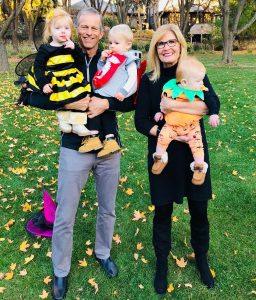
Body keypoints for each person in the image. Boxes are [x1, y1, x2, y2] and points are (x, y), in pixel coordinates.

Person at [28, 7, 135, 300]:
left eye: (94, 28)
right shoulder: (59, 54)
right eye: (83, 27)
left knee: (108, 207)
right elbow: (32, 94)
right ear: (77, 29)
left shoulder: (114, 57)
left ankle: (102, 253)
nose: (88, 32)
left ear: (101, 32)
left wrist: (107, 105)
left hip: (108, 147)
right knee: (65, 213)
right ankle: (60, 270)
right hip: (74, 147)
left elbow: (132, 99)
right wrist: (72, 105)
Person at [135, 24, 220, 295]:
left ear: (181, 45)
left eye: (171, 42)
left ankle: (202, 260)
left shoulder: (193, 74)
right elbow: (141, 120)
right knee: (162, 212)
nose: (166, 47)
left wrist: (173, 107)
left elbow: (210, 103)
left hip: (194, 153)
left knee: (199, 210)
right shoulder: (149, 80)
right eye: (161, 44)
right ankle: (162, 265)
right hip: (164, 153)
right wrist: (166, 132)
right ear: (155, 49)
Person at [152, 56, 220, 185]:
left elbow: (212, 101)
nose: (202, 83)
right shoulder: (171, 89)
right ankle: (160, 157)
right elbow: (162, 101)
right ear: (184, 82)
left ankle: (199, 166)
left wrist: (214, 114)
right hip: (171, 124)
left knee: (197, 144)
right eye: (199, 81)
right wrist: (159, 112)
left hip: (192, 126)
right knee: (162, 137)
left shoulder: (201, 91)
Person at [28, 8, 91, 137]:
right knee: (60, 98)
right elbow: (38, 67)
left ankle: (78, 123)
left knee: (79, 95)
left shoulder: (71, 46)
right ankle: (63, 119)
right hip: (55, 79)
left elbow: (80, 62)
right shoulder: (45, 49)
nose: (63, 31)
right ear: (50, 31)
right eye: (58, 28)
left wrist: (75, 49)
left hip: (71, 77)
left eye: (67, 28)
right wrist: (43, 84)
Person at [79, 24, 138, 158]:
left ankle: (108, 140)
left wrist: (123, 92)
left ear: (128, 45)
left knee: (104, 112)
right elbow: (103, 70)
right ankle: (97, 139)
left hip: (114, 92)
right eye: (110, 42)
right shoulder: (112, 57)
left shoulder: (129, 60)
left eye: (116, 43)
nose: (112, 46)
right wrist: (102, 60)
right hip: (104, 90)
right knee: (98, 111)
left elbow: (133, 79)